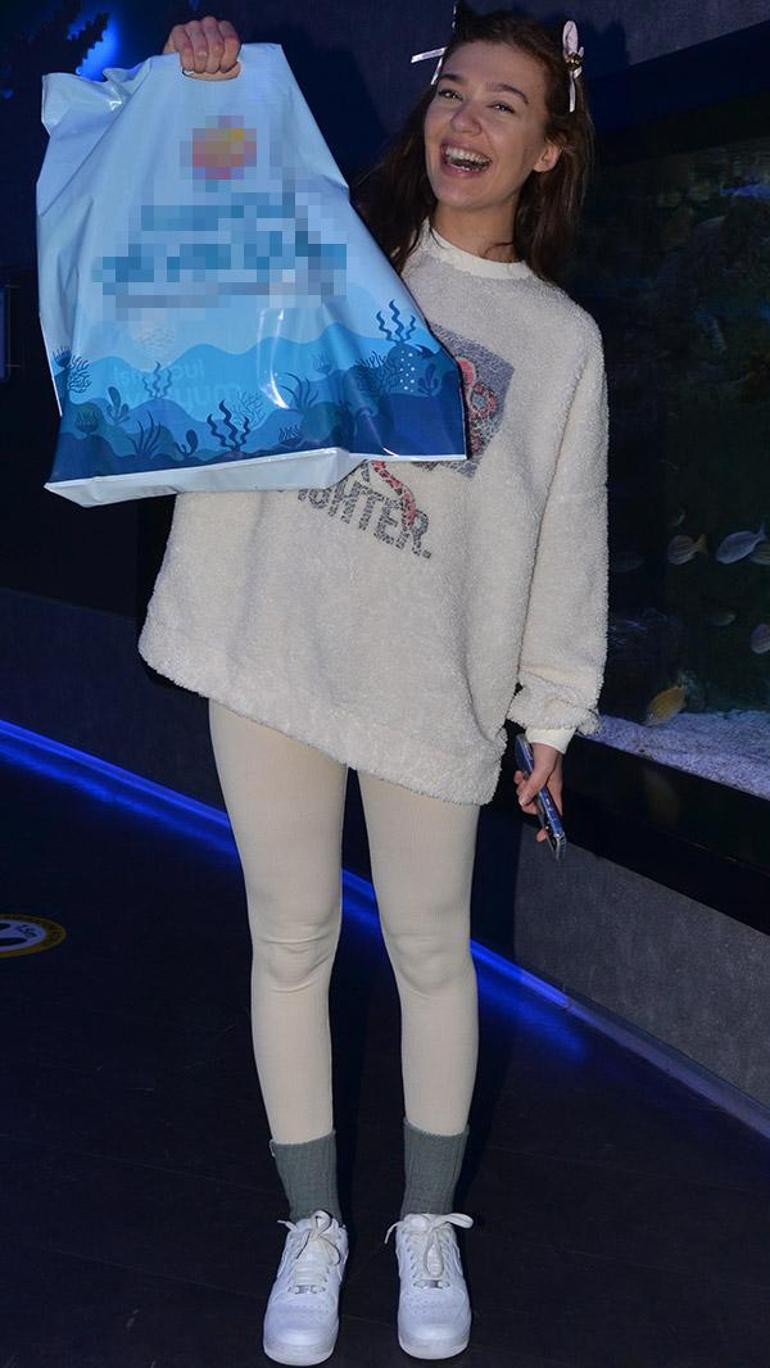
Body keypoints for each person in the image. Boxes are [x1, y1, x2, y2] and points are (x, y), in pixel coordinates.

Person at [142, 6, 609, 1363]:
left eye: (503, 106)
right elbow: (203, 226)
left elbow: (565, 537)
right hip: (275, 641)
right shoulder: (332, 250)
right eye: (452, 93)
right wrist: (203, 92)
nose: (466, 122)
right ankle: (311, 1226)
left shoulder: (562, 343)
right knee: (288, 941)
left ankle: (421, 1224)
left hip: (427, 680)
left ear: (547, 148)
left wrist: (550, 711)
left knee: (429, 952)